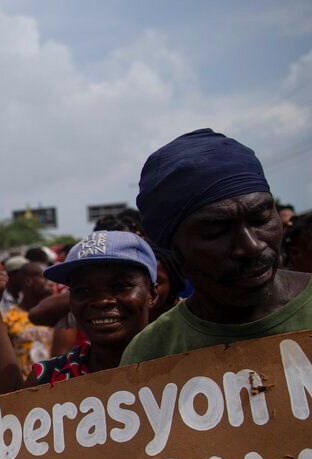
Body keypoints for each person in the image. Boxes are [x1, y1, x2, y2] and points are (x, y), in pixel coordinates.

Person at [121, 128, 312, 364]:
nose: (251, 246)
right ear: (173, 250)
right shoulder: (151, 354)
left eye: (261, 219)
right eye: (215, 232)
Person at [0, 231, 158, 393]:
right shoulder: (51, 380)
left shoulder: (179, 365)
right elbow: (11, 413)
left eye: (120, 286)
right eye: (83, 291)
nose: (102, 301)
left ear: (152, 294)